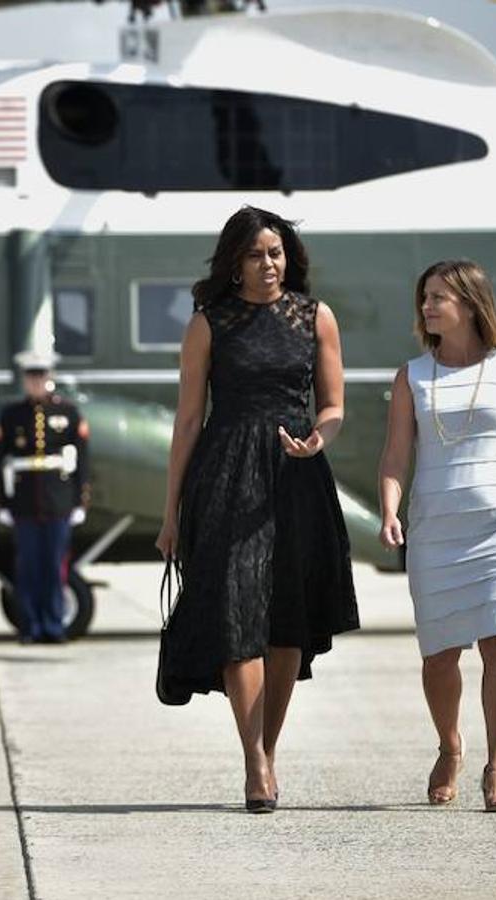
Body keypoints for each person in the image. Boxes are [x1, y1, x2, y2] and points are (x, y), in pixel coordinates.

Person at [154, 206, 359, 813]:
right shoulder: (208, 323)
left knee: (288, 622)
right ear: (234, 262)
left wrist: (320, 435)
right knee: (238, 615)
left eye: (276, 252)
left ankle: (267, 746)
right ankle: (255, 762)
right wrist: (171, 513)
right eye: (255, 254)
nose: (269, 264)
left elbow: (334, 404)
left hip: (296, 474)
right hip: (226, 473)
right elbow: (188, 419)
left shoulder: (315, 316)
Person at [378, 259, 496, 813]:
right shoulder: (411, 375)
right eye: (425, 297)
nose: (428, 306)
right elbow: (395, 455)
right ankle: (450, 745)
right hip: (436, 528)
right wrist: (391, 510)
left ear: (470, 303)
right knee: (440, 656)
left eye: (439, 297)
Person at [0, 349, 91, 643]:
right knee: (28, 569)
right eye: (31, 376)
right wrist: (3, 501)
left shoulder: (68, 413)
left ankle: (53, 625)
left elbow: (81, 459)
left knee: (54, 567)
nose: (36, 381)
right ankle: (31, 626)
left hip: (58, 500)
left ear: (50, 377)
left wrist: (79, 499)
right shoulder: (12, 415)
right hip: (24, 501)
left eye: (41, 375)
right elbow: (0, 459)